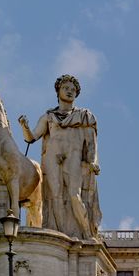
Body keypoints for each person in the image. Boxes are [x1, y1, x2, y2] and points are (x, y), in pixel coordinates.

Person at [19, 74, 101, 240]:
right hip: (52, 160)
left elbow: (92, 143)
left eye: (73, 90)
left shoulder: (84, 116)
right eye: (66, 88)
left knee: (74, 195)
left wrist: (93, 161)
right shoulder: (49, 117)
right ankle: (61, 237)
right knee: (53, 196)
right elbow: (31, 137)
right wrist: (24, 126)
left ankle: (86, 232)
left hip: (74, 158)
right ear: (58, 91)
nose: (70, 92)